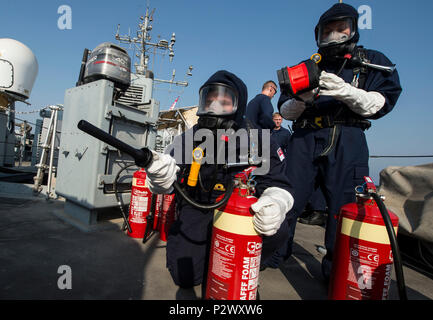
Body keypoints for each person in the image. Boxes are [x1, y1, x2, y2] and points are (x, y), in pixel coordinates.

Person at [266, 3, 402, 280]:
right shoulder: (306, 67)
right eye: (328, 30)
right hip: (304, 137)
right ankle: (275, 253)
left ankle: (336, 271)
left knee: (344, 207)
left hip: (347, 138)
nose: (334, 34)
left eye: (341, 29)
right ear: (318, 34)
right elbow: (284, 108)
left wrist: (346, 91)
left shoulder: (372, 61)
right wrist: (302, 99)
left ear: (353, 29)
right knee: (287, 196)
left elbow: (382, 102)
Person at [143, 70, 294, 298]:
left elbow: (279, 182)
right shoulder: (189, 138)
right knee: (185, 276)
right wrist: (159, 176)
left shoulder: (257, 140)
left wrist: (276, 201)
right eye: (209, 99)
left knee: (277, 228)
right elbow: (167, 168)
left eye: (223, 100)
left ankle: (249, 265)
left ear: (238, 105)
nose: (214, 105)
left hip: (242, 213)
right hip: (199, 205)